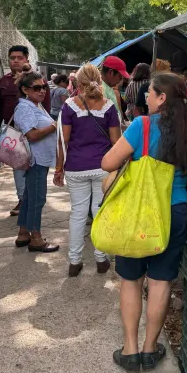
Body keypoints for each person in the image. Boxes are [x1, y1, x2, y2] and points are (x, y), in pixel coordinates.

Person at [101, 72, 187, 373]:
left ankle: (130, 350)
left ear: (161, 98)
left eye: (150, 93)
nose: (144, 97)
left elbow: (108, 163)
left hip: (139, 212)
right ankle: (150, 349)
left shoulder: (141, 126)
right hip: (175, 211)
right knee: (161, 281)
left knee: (131, 280)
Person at [53, 64, 121, 276]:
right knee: (99, 212)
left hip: (75, 168)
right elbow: (116, 141)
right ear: (99, 81)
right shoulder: (109, 106)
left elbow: (62, 141)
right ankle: (101, 259)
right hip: (102, 167)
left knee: (78, 214)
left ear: (77, 83)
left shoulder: (69, 107)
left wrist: (58, 169)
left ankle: (74, 262)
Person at [0, 45, 51, 216]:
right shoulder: (4, 81)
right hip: (13, 132)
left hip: (34, 131)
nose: (16, 61)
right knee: (18, 166)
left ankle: (33, 199)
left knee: (35, 166)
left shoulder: (37, 79)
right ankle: (22, 200)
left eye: (19, 57)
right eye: (12, 58)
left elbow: (45, 106)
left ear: (27, 59)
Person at [13, 64, 59, 253]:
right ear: (25, 90)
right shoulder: (24, 108)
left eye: (44, 87)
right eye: (37, 88)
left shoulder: (34, 105)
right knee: (37, 199)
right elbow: (31, 135)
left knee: (29, 196)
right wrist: (53, 126)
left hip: (38, 159)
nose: (42, 91)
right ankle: (36, 238)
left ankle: (23, 233)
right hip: (35, 160)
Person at [100, 56, 130, 122]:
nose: (121, 80)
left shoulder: (109, 87)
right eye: (120, 77)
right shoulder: (100, 90)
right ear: (111, 72)